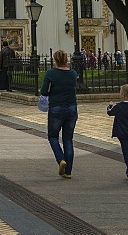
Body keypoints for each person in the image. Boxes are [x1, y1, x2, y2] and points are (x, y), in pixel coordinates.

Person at [41, 49, 79, 179]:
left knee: (53, 136)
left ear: (55, 60)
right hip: (72, 108)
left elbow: (44, 91)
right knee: (68, 139)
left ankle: (60, 159)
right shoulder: (73, 73)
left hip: (56, 107)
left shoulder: (51, 73)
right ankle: (68, 171)